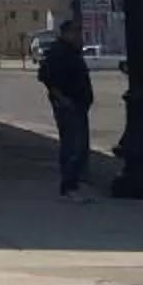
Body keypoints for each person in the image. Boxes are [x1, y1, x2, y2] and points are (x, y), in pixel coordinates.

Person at [37, 17, 97, 201]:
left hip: (78, 104)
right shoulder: (58, 52)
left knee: (80, 146)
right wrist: (61, 99)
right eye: (76, 32)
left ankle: (75, 183)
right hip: (68, 105)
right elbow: (46, 76)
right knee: (73, 146)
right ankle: (69, 187)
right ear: (66, 33)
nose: (80, 35)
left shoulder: (72, 52)